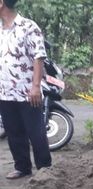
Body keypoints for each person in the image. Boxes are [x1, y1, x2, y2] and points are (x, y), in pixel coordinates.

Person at [0, 0, 51, 179]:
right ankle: (22, 167)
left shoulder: (28, 26)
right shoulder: (0, 30)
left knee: (36, 132)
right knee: (14, 132)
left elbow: (39, 56)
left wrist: (36, 87)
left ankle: (45, 169)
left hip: (28, 92)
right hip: (5, 92)